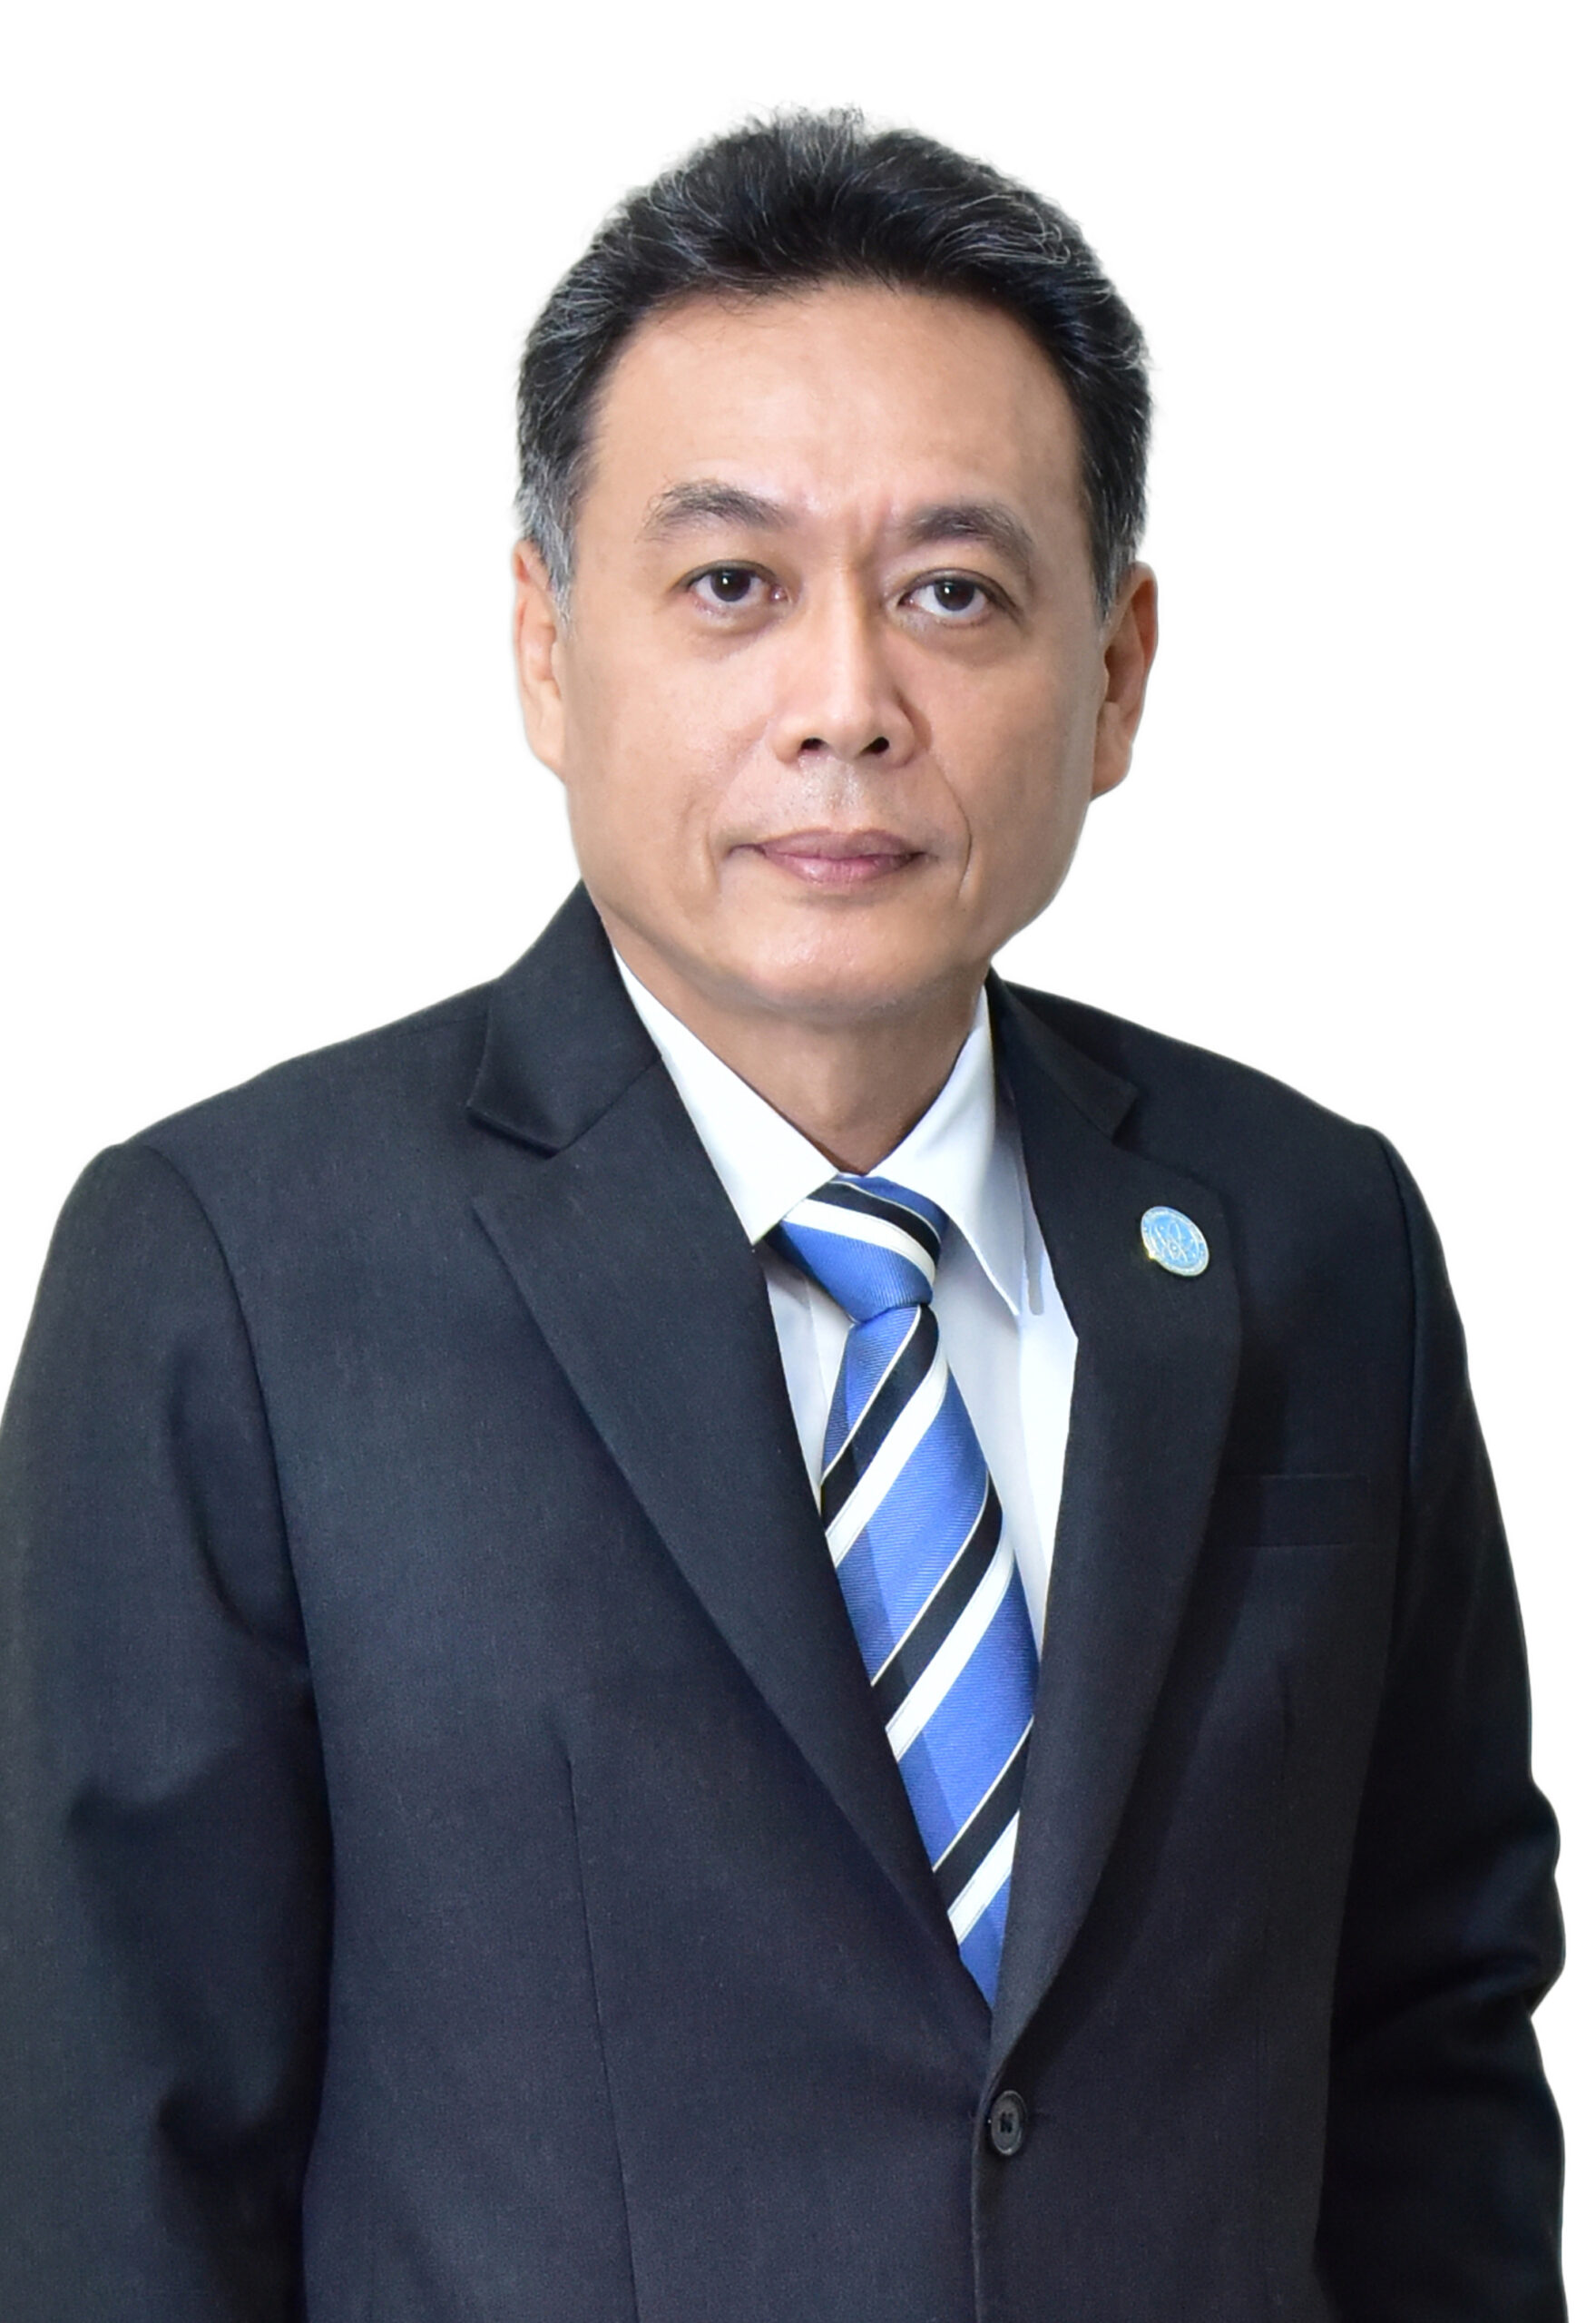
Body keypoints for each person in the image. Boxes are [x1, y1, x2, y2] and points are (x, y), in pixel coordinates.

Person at [0, 108, 1564, 2322]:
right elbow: (108, 2167)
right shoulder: (235, 1276)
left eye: (953, 592)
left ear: (1117, 671)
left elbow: (1430, 2031)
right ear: (548, 647)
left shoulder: (1317, 1236)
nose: (845, 706)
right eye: (731, 584)